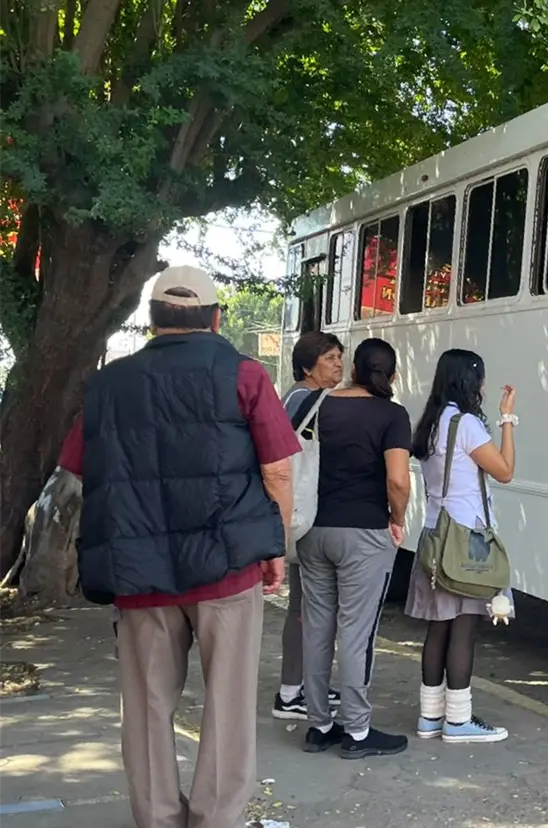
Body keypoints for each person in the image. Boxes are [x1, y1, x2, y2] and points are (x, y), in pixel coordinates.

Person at [57, 265, 298, 828]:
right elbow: (278, 471)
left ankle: (158, 819)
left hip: (138, 574)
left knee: (145, 708)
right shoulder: (244, 374)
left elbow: (81, 468)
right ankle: (216, 820)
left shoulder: (108, 384)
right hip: (227, 568)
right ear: (215, 319)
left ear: (152, 320)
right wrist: (274, 547)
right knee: (228, 706)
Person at [296, 337, 413, 759]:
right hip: (363, 533)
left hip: (313, 530)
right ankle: (357, 731)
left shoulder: (318, 404)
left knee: (317, 627)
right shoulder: (392, 414)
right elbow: (397, 480)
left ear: (353, 370)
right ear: (392, 376)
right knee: (356, 631)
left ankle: (318, 725)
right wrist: (397, 518)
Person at [406, 349, 517, 744]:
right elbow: (504, 471)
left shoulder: (432, 422)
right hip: (465, 540)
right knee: (464, 630)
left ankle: (430, 717)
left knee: (438, 630)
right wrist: (507, 420)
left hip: (434, 536)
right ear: (470, 380)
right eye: (481, 379)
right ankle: (458, 720)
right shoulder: (466, 424)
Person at [273, 330, 346, 721]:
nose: (338, 364)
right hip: (304, 515)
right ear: (307, 366)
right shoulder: (308, 399)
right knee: (307, 607)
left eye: (339, 357)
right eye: (329, 358)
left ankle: (300, 686)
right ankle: (292, 693)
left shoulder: (293, 397)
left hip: (298, 514)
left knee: (303, 605)